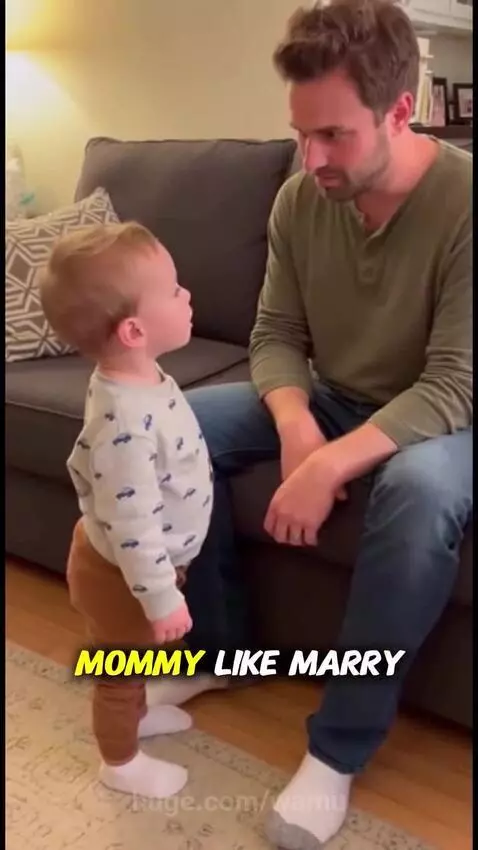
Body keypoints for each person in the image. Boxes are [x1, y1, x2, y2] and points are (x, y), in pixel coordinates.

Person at [152, 0, 473, 846]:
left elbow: (454, 381)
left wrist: (330, 469)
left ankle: (336, 751)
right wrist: (299, 434)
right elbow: (276, 337)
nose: (313, 158)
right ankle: (215, 652)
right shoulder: (302, 199)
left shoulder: (467, 205)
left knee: (417, 490)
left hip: (450, 418)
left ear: (401, 110)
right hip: (335, 395)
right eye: (302, 133)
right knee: (174, 425)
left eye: (335, 136)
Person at [39, 221, 217, 800]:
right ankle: (120, 762)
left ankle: (138, 717)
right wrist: (161, 598)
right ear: (135, 329)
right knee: (117, 671)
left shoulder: (135, 378)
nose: (187, 295)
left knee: (132, 662)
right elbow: (133, 523)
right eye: (173, 290)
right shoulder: (122, 420)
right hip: (122, 576)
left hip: (131, 568)